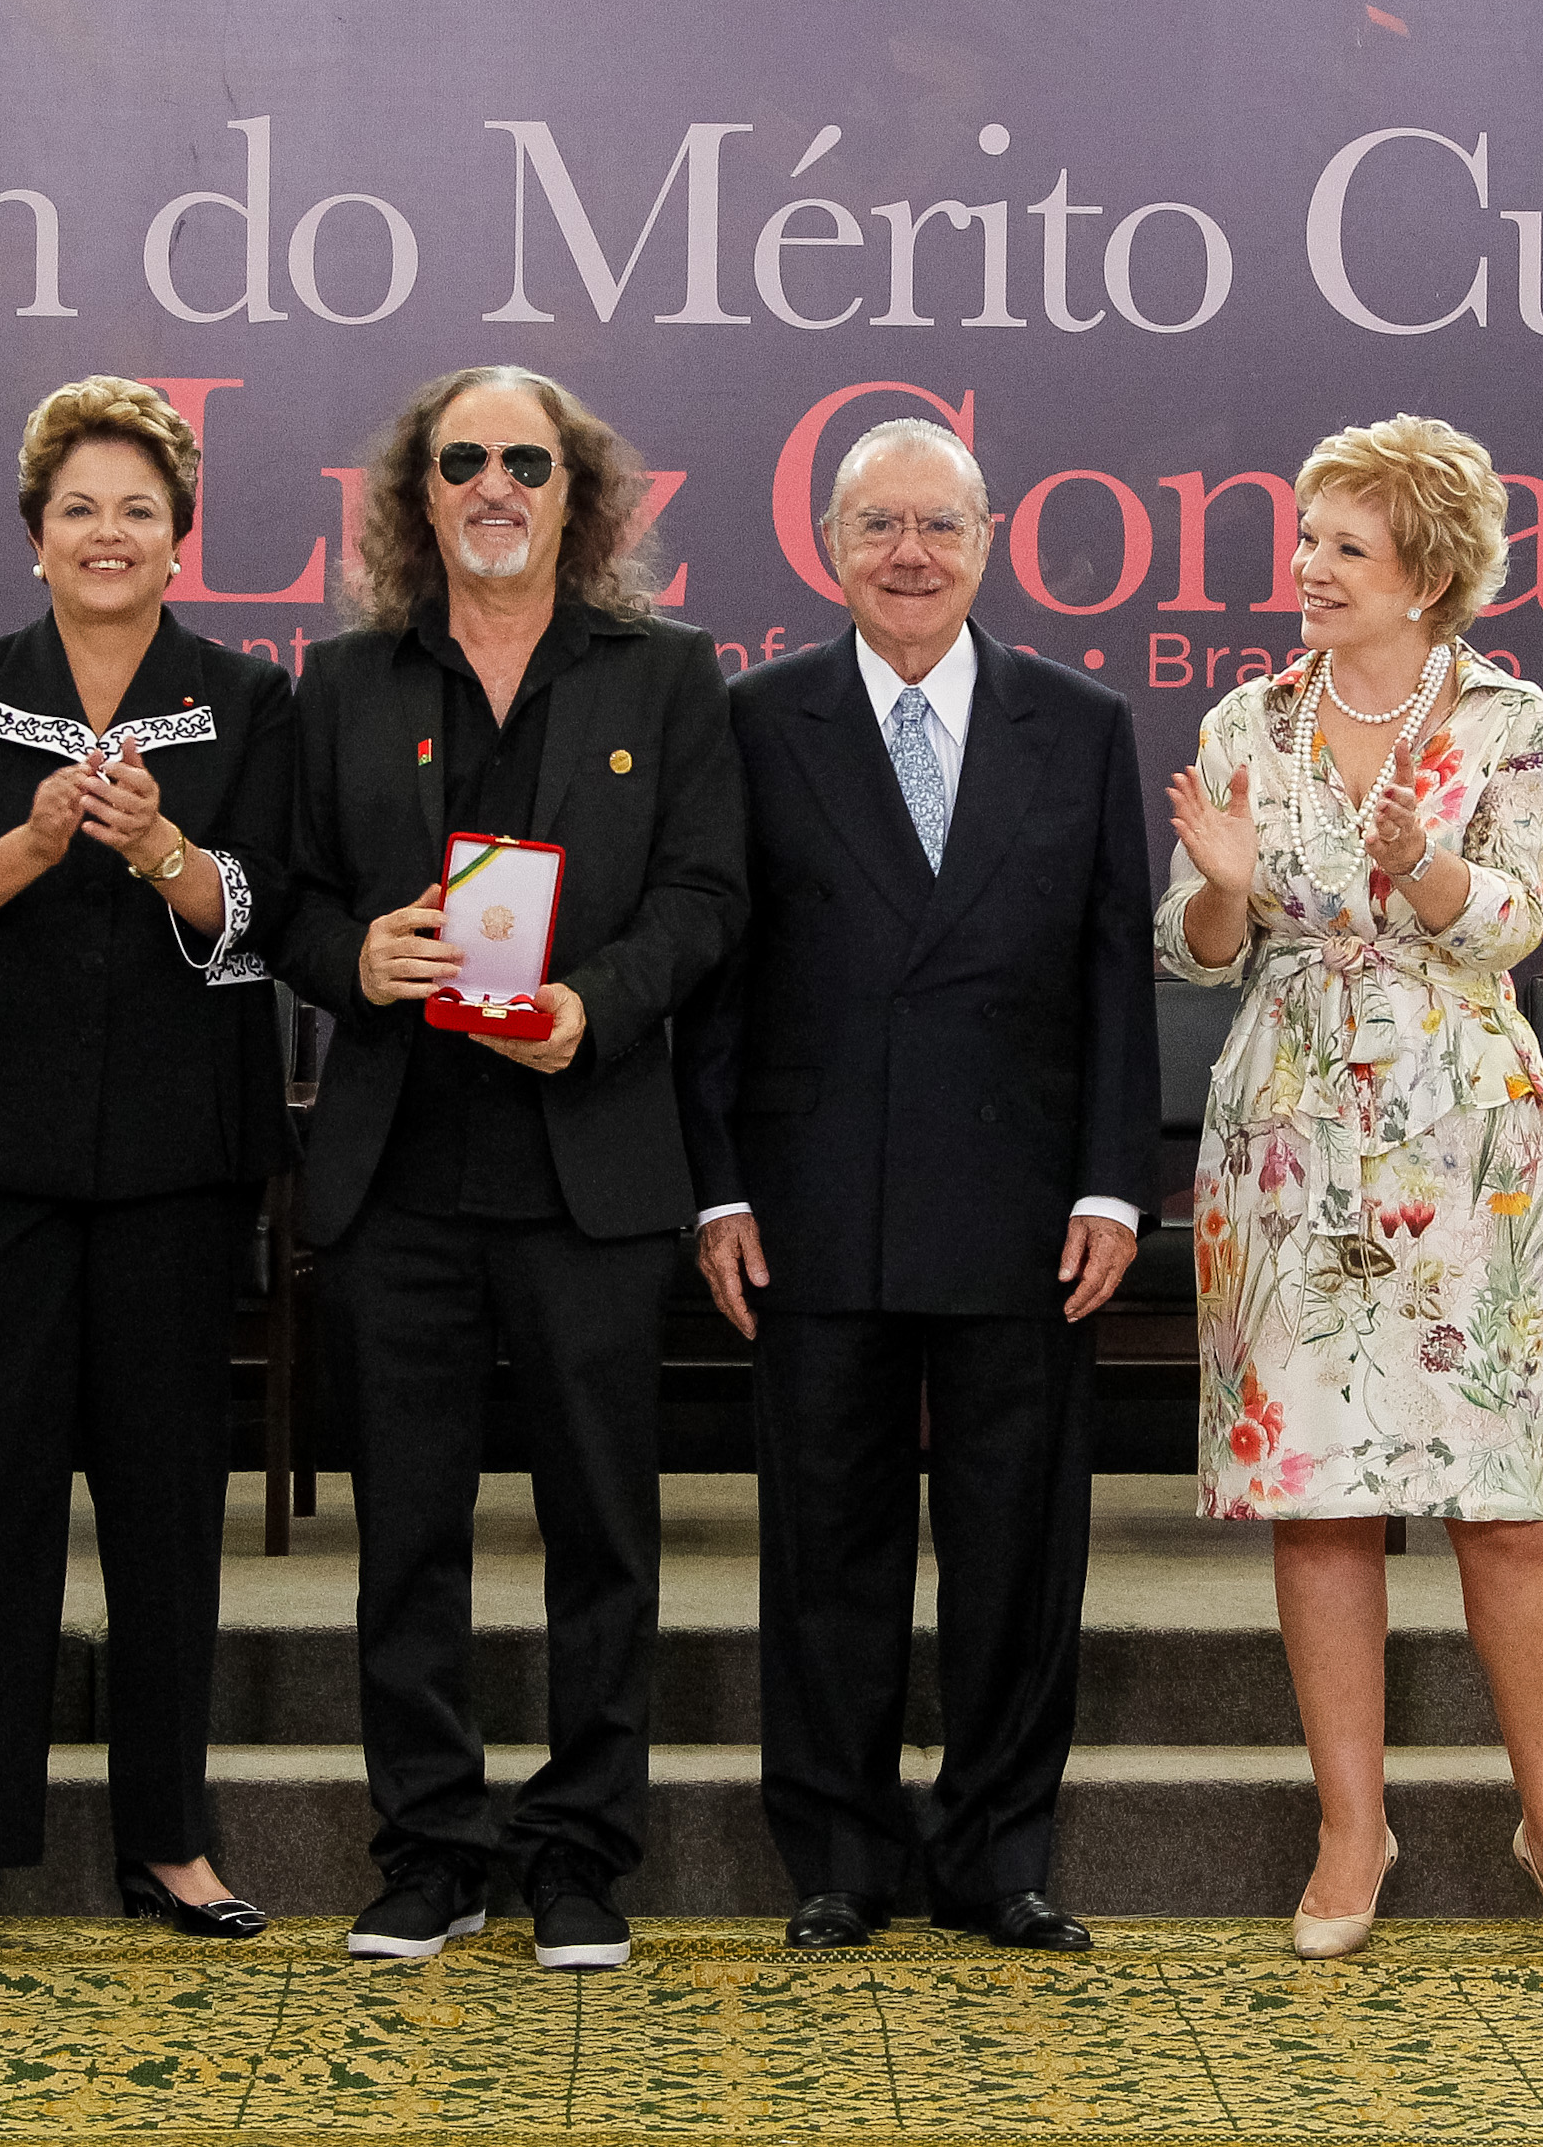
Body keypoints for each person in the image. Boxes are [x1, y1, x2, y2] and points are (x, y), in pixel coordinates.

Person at [1155, 414, 1543, 1966]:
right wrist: (1224, 893)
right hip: (1288, 1128)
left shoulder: (1513, 719)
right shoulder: (1250, 717)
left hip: (1461, 1133)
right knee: (1321, 1491)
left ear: (1426, 573)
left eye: (1341, 549)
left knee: (1505, 1495)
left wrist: (1426, 866)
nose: (1305, 569)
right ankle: (1347, 1828)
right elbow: (1191, 944)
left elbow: (1509, 919)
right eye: (1304, 542)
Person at [277, 366, 747, 1972]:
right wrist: (358, 956)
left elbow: (703, 893)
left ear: (576, 495)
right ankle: (425, 1850)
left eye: (525, 463)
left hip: (588, 1166)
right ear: (418, 495)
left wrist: (592, 1007)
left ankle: (577, 1856)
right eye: (461, 459)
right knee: (404, 1534)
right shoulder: (338, 683)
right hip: (396, 1170)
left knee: (601, 1534)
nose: (493, 484)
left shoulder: (670, 678)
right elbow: (282, 902)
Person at [680, 419, 1157, 1954]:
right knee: (827, 1542)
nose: (908, 553)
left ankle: (999, 1852)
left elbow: (1110, 981)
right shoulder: (754, 719)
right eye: (878, 524)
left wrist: (1111, 1184)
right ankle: (838, 1852)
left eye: (938, 526)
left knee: (1021, 1546)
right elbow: (719, 979)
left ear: (990, 540)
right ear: (829, 544)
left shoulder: (1077, 723)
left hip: (1026, 1206)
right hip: (811, 1197)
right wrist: (716, 1189)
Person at [0, 376, 297, 1963]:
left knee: (173, 1498)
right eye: (77, 509)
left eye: (137, 509)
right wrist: (32, 846)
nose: (107, 534)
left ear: (182, 538)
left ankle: (169, 1837)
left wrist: (168, 853)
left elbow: (278, 912)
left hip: (182, 1156)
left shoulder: (248, 699)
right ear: (35, 535)